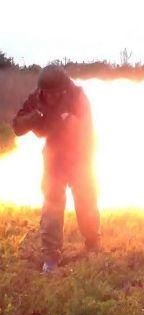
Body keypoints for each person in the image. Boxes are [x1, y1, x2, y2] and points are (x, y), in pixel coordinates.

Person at [11, 65, 100, 273]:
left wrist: (68, 123)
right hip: (54, 158)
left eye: (55, 93)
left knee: (86, 200)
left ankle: (93, 243)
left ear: (63, 90)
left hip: (79, 155)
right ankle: (51, 256)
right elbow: (17, 126)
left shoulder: (77, 97)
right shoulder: (37, 98)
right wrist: (33, 119)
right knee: (52, 205)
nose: (50, 97)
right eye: (47, 93)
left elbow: (87, 131)